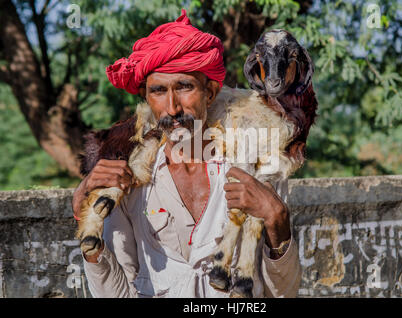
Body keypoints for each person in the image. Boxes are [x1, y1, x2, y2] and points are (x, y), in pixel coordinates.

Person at [72, 9, 301, 298]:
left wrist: (277, 220)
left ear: (210, 93)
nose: (172, 107)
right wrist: (85, 223)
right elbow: (115, 294)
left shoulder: (254, 168)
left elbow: (282, 293)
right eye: (158, 91)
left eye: (184, 87)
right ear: (146, 98)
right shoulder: (130, 179)